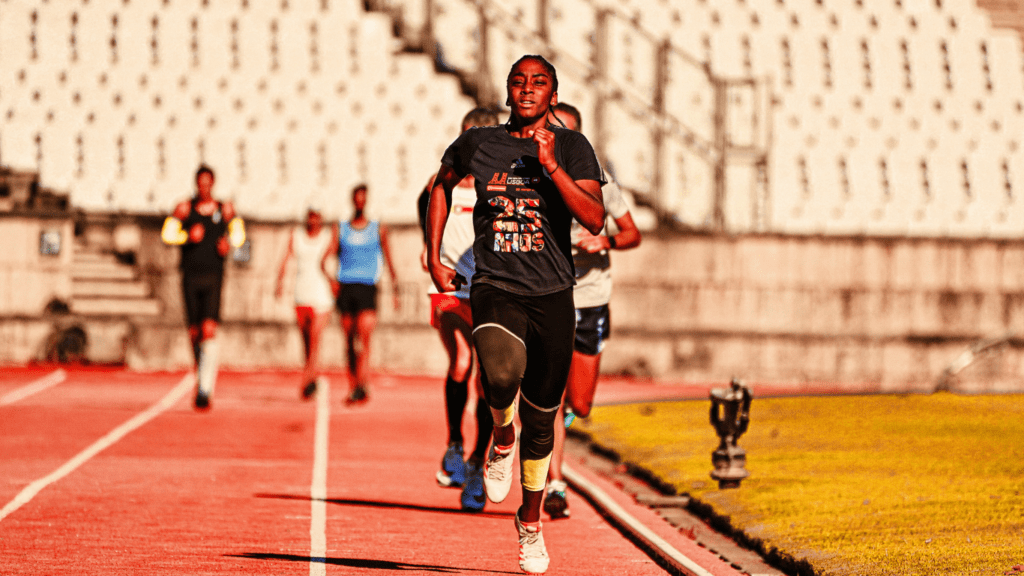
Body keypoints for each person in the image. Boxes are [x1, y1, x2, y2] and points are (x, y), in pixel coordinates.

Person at [427, 55, 605, 574]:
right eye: (519, 81)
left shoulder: (573, 146)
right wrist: (435, 256)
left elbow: (593, 217)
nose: (528, 89)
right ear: (508, 91)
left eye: (539, 82)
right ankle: (500, 438)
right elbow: (440, 185)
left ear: (553, 93)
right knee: (500, 375)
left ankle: (529, 523)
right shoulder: (480, 144)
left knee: (544, 424)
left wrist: (551, 165)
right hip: (495, 283)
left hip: (553, 291)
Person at [542, 102, 642, 520]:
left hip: (592, 298)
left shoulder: (601, 182)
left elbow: (633, 233)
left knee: (578, 405)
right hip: (551, 296)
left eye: (570, 132)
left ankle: (551, 426)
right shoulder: (533, 180)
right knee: (550, 396)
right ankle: (554, 481)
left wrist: (605, 242)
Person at [416, 107, 499, 512]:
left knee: (486, 379)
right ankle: (454, 441)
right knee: (461, 362)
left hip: (486, 288)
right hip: (448, 287)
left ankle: (476, 462)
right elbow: (427, 205)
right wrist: (429, 253)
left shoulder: (499, 182)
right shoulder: (442, 182)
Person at [161, 164, 246, 410]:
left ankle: (205, 388)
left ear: (213, 184)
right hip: (190, 275)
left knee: (209, 330)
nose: (204, 187)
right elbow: (167, 234)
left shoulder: (224, 208)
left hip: (214, 275)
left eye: (208, 183)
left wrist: (229, 243)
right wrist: (187, 236)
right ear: (196, 184)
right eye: (200, 183)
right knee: (194, 333)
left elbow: (239, 235)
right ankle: (201, 378)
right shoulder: (185, 208)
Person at [327, 184, 399, 405]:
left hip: (367, 287)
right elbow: (326, 257)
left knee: (364, 340)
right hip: (346, 286)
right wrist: (331, 281)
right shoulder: (341, 228)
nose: (360, 202)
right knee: (349, 341)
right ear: (352, 200)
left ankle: (363, 384)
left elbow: (388, 258)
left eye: (363, 198)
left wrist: (395, 287)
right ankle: (353, 385)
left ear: (366, 201)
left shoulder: (377, 228)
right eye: (356, 198)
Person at [275, 207, 336, 400]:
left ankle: (307, 380)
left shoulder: (329, 235)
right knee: (306, 342)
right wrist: (280, 282)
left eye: (317, 216)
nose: (313, 220)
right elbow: (285, 259)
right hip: (301, 293)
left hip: (322, 294)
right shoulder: (297, 236)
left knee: (315, 337)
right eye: (310, 215)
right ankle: (311, 374)